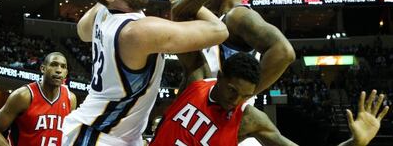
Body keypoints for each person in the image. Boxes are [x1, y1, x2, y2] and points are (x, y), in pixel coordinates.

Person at [61, 0, 281, 146]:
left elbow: (83, 31)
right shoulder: (138, 31)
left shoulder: (102, 12)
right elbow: (218, 31)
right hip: (98, 135)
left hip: (114, 133)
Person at [150, 53, 390, 146]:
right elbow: (181, 13)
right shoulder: (196, 81)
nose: (237, 100)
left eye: (246, 95)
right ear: (221, 77)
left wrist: (355, 143)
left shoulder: (250, 119)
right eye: (233, 91)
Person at [174, 0, 295, 96]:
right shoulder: (222, 19)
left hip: (221, 113)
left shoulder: (237, 15)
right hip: (204, 110)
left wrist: (239, 98)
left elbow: (284, 52)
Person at [0, 52, 77, 146]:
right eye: (54, 65)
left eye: (63, 66)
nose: (59, 70)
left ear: (66, 73)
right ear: (43, 68)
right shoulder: (23, 96)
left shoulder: (71, 99)